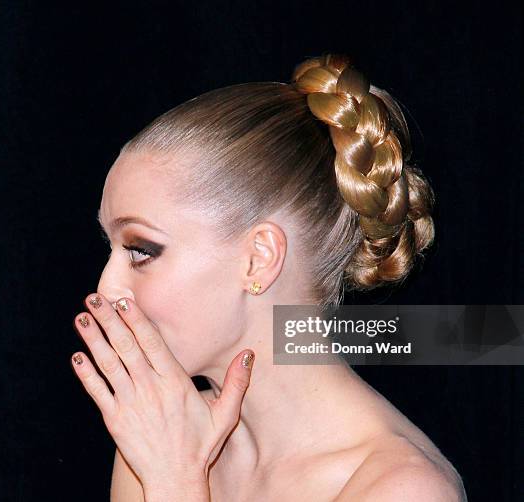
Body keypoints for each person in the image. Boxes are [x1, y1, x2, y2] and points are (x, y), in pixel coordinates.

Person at [70, 53, 467, 501]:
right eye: (112, 248)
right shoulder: (163, 438)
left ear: (258, 260)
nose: (106, 288)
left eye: (141, 250)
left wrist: (175, 484)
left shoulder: (402, 490)